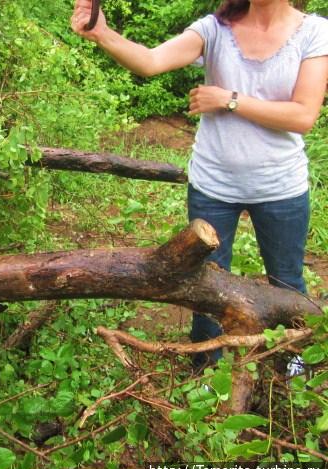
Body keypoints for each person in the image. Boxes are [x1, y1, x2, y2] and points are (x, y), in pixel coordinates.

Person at [72, 0, 328, 370]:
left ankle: (292, 360)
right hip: (213, 185)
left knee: (286, 280)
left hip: (280, 187)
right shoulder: (215, 28)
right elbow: (150, 61)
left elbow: (303, 115)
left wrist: (230, 99)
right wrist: (102, 34)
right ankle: (207, 366)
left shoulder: (314, 32)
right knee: (206, 283)